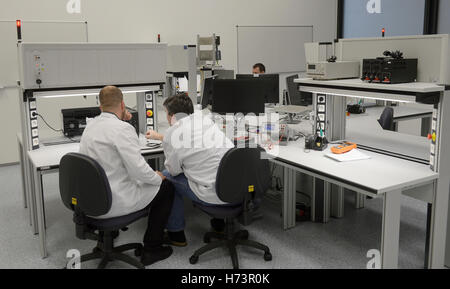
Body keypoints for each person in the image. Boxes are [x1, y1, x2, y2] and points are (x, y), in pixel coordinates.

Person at [79, 86, 175, 266]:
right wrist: (157, 177)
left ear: (100, 106)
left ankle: (102, 243)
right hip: (115, 199)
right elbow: (138, 170)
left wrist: (123, 120)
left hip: (92, 200)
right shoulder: (122, 129)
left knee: (143, 181)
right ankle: (152, 249)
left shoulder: (90, 125)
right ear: (123, 105)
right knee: (166, 188)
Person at [146, 93, 234, 246]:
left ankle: (176, 234)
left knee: (166, 177)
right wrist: (163, 138)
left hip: (212, 192)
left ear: (172, 115)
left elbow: (174, 171)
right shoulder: (206, 121)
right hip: (233, 187)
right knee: (214, 168)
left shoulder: (173, 133)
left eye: (166, 113)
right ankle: (219, 225)